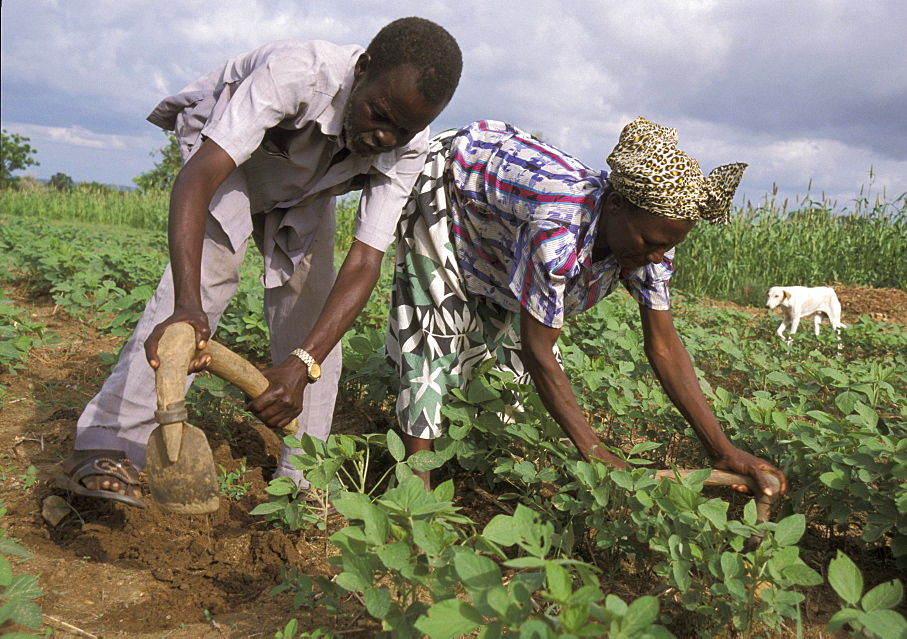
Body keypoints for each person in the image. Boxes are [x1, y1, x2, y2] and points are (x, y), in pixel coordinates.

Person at [56, 17, 463, 507]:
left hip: (306, 188)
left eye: (403, 129)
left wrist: (301, 362)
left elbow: (364, 261)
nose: (383, 137)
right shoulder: (299, 72)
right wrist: (188, 306)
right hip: (228, 161)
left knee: (314, 314)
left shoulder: (406, 148)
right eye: (378, 114)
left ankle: (304, 477)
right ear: (364, 68)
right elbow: (199, 175)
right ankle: (111, 441)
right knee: (210, 277)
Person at [386, 118, 786, 496]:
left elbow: (663, 345)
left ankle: (487, 465)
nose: (656, 256)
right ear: (614, 205)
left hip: (500, 223)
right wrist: (595, 450)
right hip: (452, 186)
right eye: (650, 242)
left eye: (667, 245)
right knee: (434, 333)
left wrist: (722, 450)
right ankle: (415, 492)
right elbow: (539, 349)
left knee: (513, 374)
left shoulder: (651, 247)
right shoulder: (558, 227)